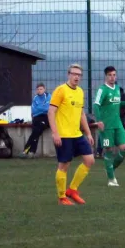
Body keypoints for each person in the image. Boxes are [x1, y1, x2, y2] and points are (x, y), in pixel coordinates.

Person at [48, 64, 95, 206]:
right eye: (74, 74)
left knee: (89, 160)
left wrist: (88, 133)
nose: (76, 77)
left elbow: (81, 114)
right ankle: (62, 197)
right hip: (63, 135)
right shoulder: (60, 90)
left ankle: (72, 190)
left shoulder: (80, 92)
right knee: (64, 165)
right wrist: (55, 133)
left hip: (77, 134)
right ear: (68, 74)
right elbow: (51, 112)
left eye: (79, 75)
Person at [93, 67, 125, 186]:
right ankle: (111, 179)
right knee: (109, 150)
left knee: (124, 149)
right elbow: (96, 105)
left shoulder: (117, 89)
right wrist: (99, 120)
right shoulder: (102, 90)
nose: (112, 77)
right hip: (106, 126)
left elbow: (117, 103)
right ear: (105, 76)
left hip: (117, 124)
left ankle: (110, 169)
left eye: (114, 75)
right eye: (110, 75)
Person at [19, 83, 51, 158]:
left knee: (35, 131)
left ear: (44, 89)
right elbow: (33, 110)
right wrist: (41, 108)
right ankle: (31, 152)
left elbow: (47, 108)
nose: (39, 91)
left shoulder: (48, 96)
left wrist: (40, 108)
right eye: (38, 89)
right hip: (36, 117)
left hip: (45, 117)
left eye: (41, 89)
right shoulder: (35, 98)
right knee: (36, 132)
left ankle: (26, 150)